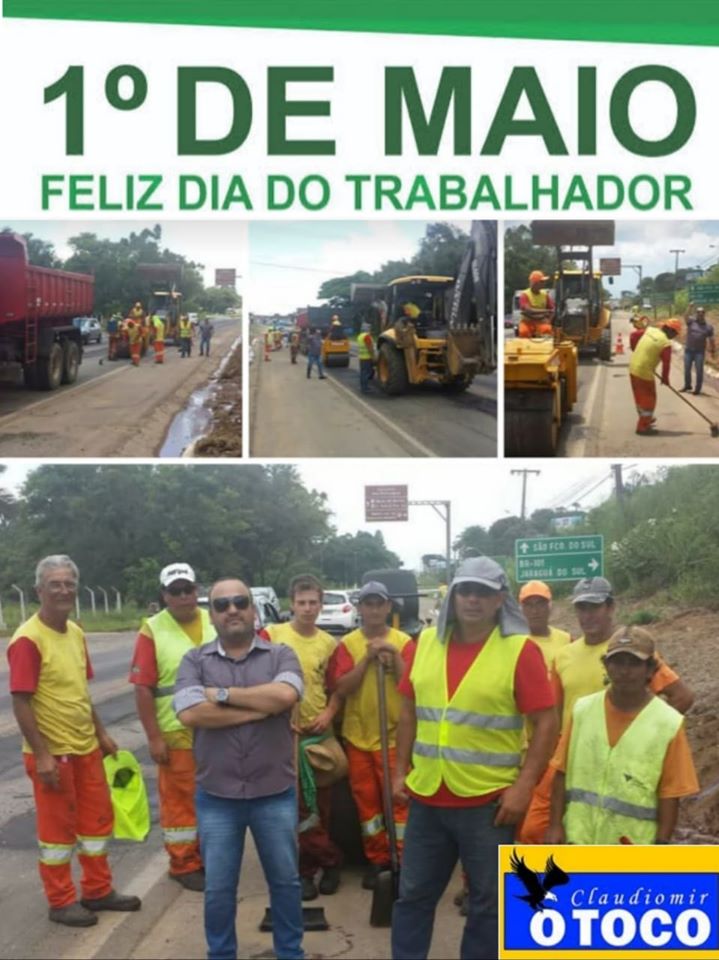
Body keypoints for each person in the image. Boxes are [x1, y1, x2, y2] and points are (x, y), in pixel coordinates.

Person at [390, 557, 557, 960]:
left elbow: (546, 723)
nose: (473, 600)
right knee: (412, 896)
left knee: (488, 905)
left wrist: (524, 788)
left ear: (500, 599)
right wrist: (399, 770)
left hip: (488, 804)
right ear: (453, 595)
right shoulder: (425, 643)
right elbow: (409, 710)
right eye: (466, 590)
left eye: (484, 592)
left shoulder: (519, 650)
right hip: (428, 798)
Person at [7, 555, 141, 927]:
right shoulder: (27, 640)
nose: (64, 590)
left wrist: (101, 734)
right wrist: (44, 754)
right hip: (54, 756)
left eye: (69, 583)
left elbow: (80, 692)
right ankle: (61, 901)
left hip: (86, 749)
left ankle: (98, 891)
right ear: (39, 591)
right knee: (57, 834)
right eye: (55, 584)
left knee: (95, 825)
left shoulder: (76, 632)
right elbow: (21, 701)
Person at [174, 579, 304, 960]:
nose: (232, 609)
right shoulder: (194, 660)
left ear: (253, 609)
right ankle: (221, 955)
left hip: (274, 792)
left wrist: (223, 696)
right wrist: (261, 709)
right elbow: (190, 712)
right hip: (217, 796)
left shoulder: (282, 654)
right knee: (218, 889)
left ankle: (290, 953)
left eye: (240, 602)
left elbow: (285, 695)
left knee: (286, 882)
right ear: (211, 615)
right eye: (222, 604)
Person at [547, 626, 699, 845]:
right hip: (578, 839)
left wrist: (662, 844)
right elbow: (561, 771)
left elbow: (670, 793)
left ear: (650, 669)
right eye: (617, 662)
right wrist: (554, 825)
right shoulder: (583, 710)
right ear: (606, 666)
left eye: (634, 663)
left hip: (632, 846)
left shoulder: (668, 723)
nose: (624, 671)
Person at [129, 563, 216, 892]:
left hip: (216, 728)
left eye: (188, 589)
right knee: (180, 803)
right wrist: (153, 737)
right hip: (175, 732)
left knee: (214, 798)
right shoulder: (152, 629)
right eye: (175, 591)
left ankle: (209, 857)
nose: (183, 596)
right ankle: (184, 863)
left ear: (197, 590)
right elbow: (142, 687)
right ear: (164, 596)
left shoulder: (214, 619)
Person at [329, 581, 412, 890]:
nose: (374, 609)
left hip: (393, 737)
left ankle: (402, 860)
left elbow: (411, 686)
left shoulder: (403, 642)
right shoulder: (348, 645)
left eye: (380, 603)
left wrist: (393, 659)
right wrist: (366, 659)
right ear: (360, 608)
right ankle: (378, 860)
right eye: (368, 604)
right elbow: (342, 687)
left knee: (398, 801)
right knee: (368, 806)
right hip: (359, 738)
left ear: (388, 607)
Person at [265, 574, 343, 900]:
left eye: (313, 603)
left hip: (317, 736)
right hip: (283, 735)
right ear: (291, 604)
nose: (308, 609)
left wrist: (328, 714)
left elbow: (336, 689)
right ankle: (316, 867)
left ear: (321, 605)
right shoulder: (272, 635)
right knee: (294, 807)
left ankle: (321, 864)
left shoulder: (329, 643)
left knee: (319, 805)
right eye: (302, 603)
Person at [629, 318, 681, 434]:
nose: (674, 336)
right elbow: (666, 363)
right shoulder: (665, 343)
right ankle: (642, 427)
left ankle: (646, 418)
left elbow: (633, 335)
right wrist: (665, 379)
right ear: (671, 331)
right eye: (675, 333)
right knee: (649, 400)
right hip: (643, 373)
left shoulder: (650, 330)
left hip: (633, 367)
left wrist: (635, 349)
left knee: (640, 397)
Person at [682, 303, 716, 394]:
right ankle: (687, 385)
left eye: (702, 312)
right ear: (696, 313)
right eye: (698, 312)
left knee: (699, 370)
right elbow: (685, 316)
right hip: (688, 350)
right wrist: (689, 307)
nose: (700, 314)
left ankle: (697, 389)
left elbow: (711, 340)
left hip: (699, 352)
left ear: (704, 314)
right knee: (687, 369)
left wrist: (713, 351)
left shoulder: (708, 327)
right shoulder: (691, 322)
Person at [518, 270, 555, 338]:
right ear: (535, 283)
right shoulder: (525, 294)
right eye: (541, 282)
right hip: (527, 322)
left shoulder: (545, 295)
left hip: (541, 322)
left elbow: (552, 309)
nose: (544, 283)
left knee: (547, 330)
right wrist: (546, 311)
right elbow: (528, 310)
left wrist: (548, 320)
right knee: (524, 332)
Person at [357, 321, 377, 394]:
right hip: (367, 358)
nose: (370, 329)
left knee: (363, 373)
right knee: (366, 373)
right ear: (367, 329)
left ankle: (363, 387)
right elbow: (370, 348)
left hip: (362, 357)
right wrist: (373, 357)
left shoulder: (360, 336)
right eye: (369, 328)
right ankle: (365, 388)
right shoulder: (367, 336)